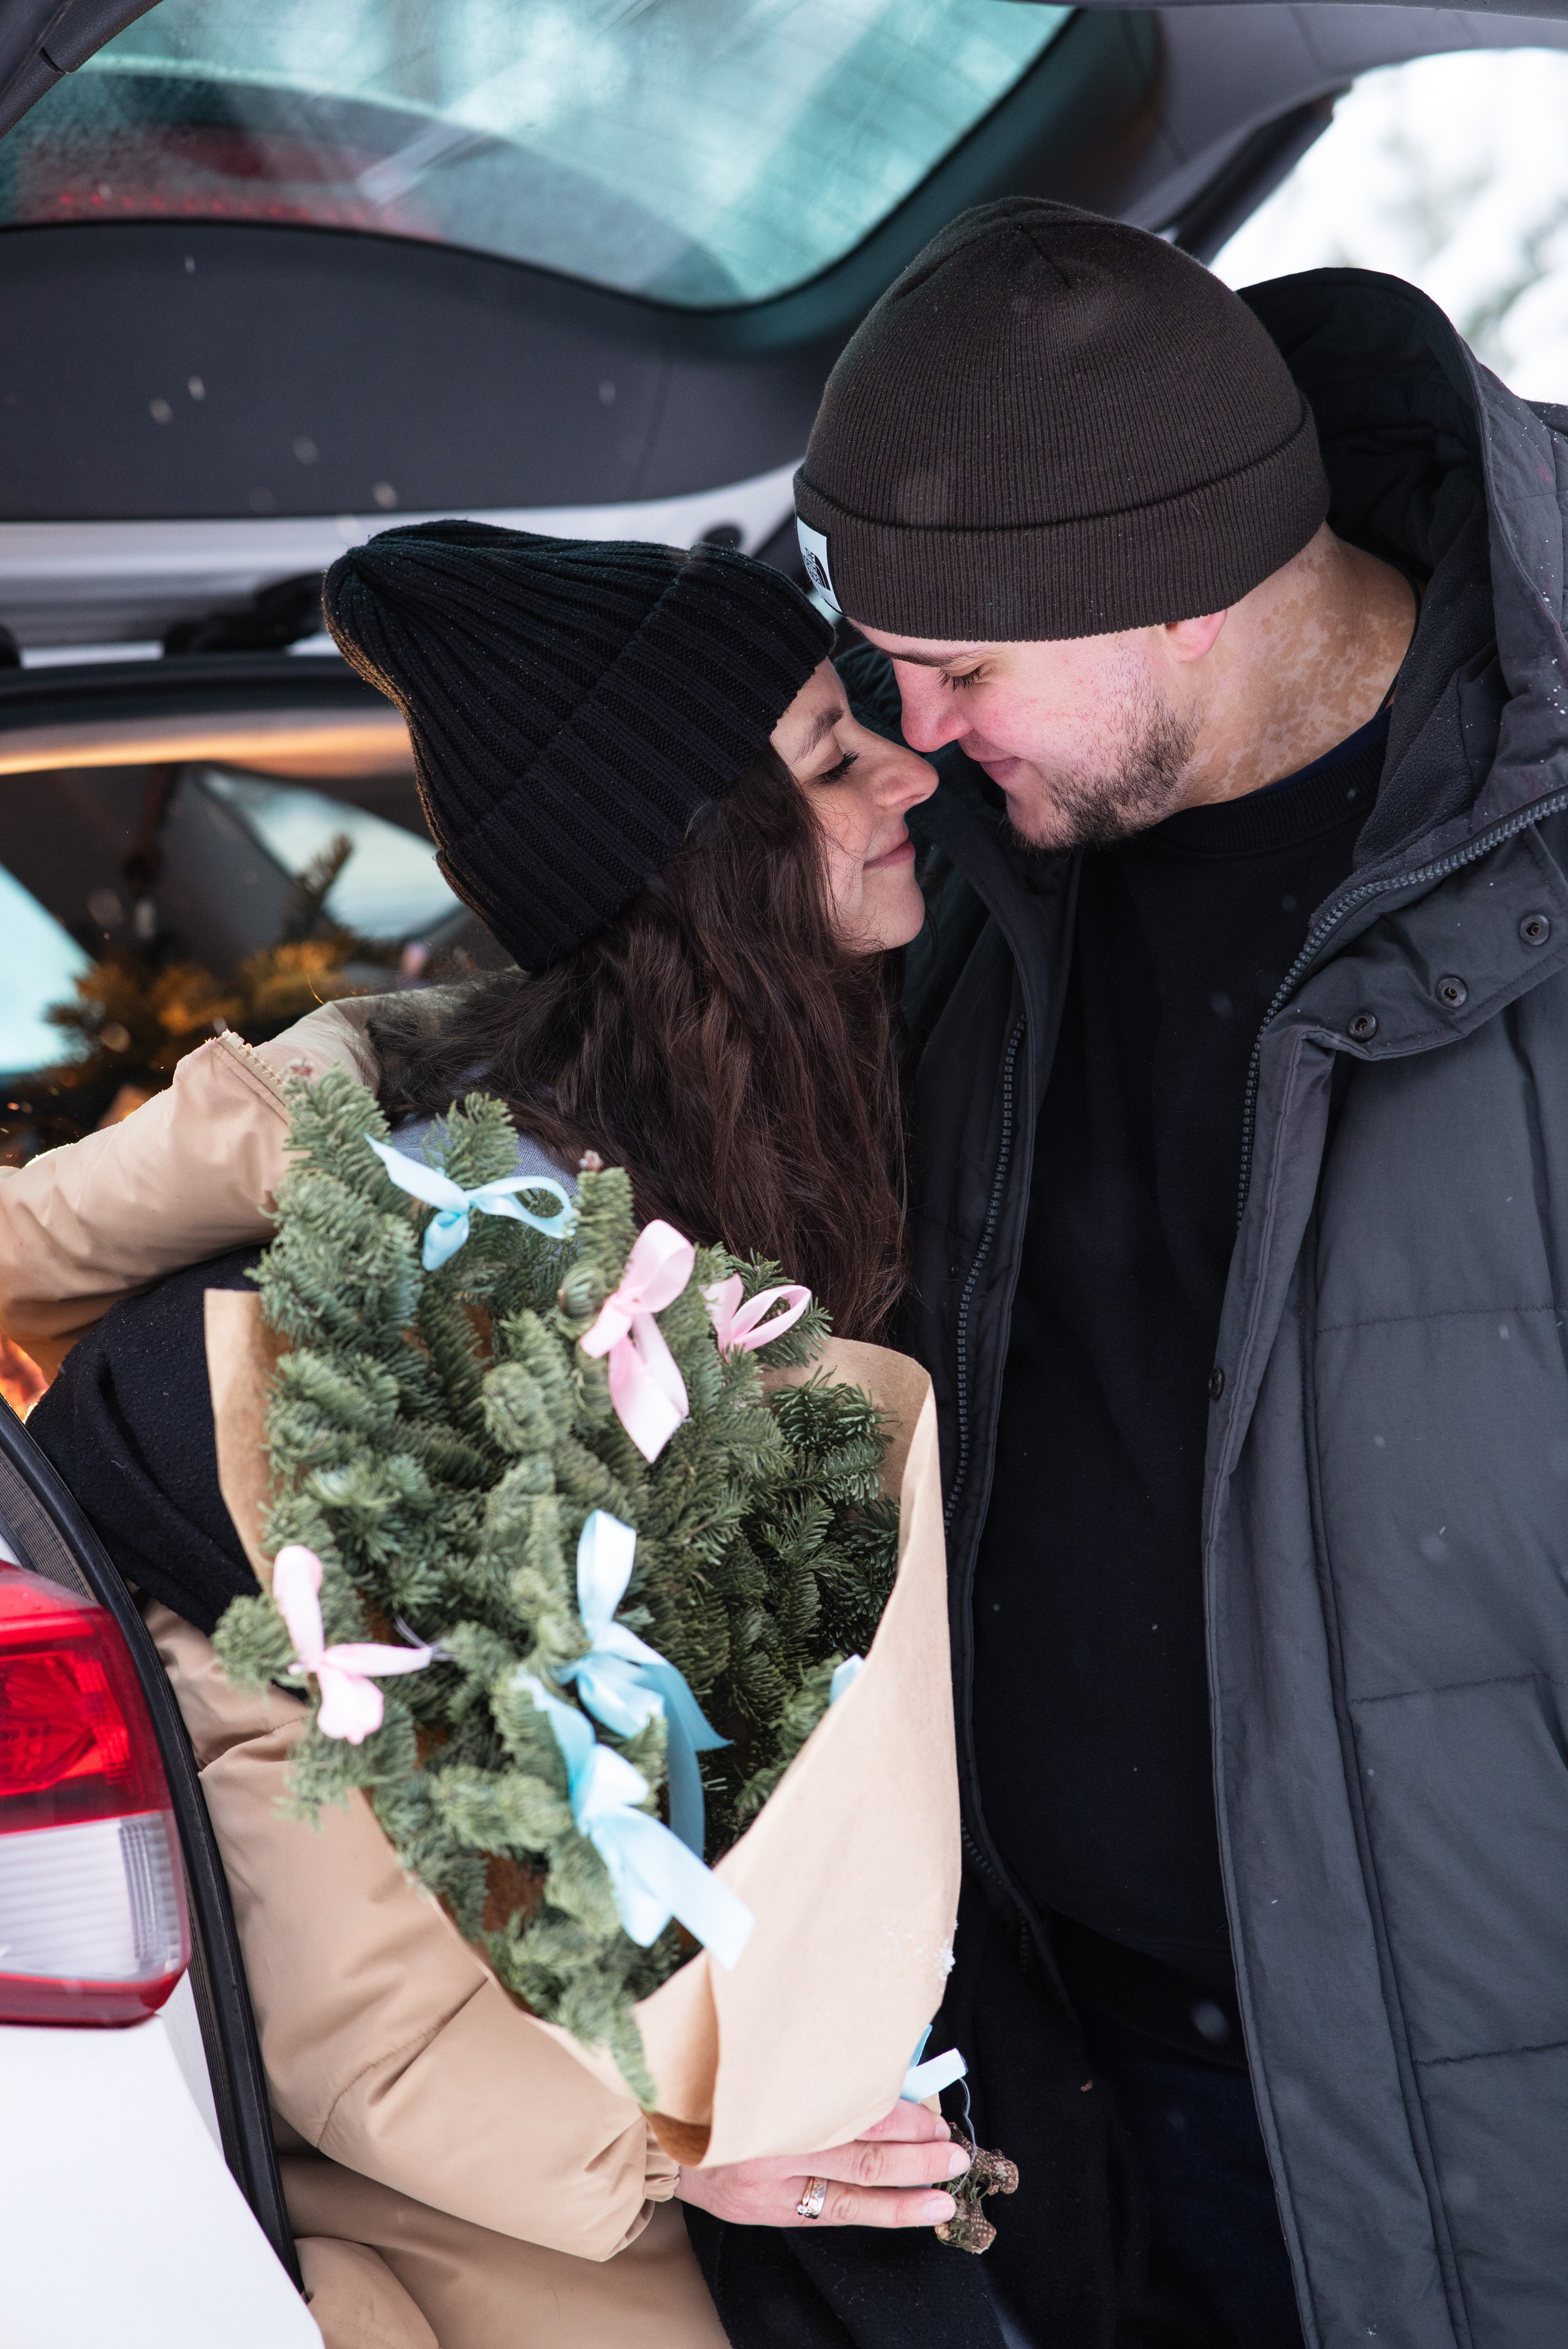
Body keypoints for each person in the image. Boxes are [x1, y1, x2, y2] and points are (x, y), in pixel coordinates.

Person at [16, 526, 986, 2349]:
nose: (908, 771)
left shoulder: (824, 1122)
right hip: (573, 2248)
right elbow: (345, 1984)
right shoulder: (326, 1362)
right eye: (827, 756)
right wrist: (681, 2154)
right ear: (696, 862)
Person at [783, 195, 1568, 2348]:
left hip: (1481, 2103)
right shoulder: (982, 868)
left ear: (1187, 590)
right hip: (1093, 2082)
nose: (912, 727)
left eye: (963, 667)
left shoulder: (1517, 875)